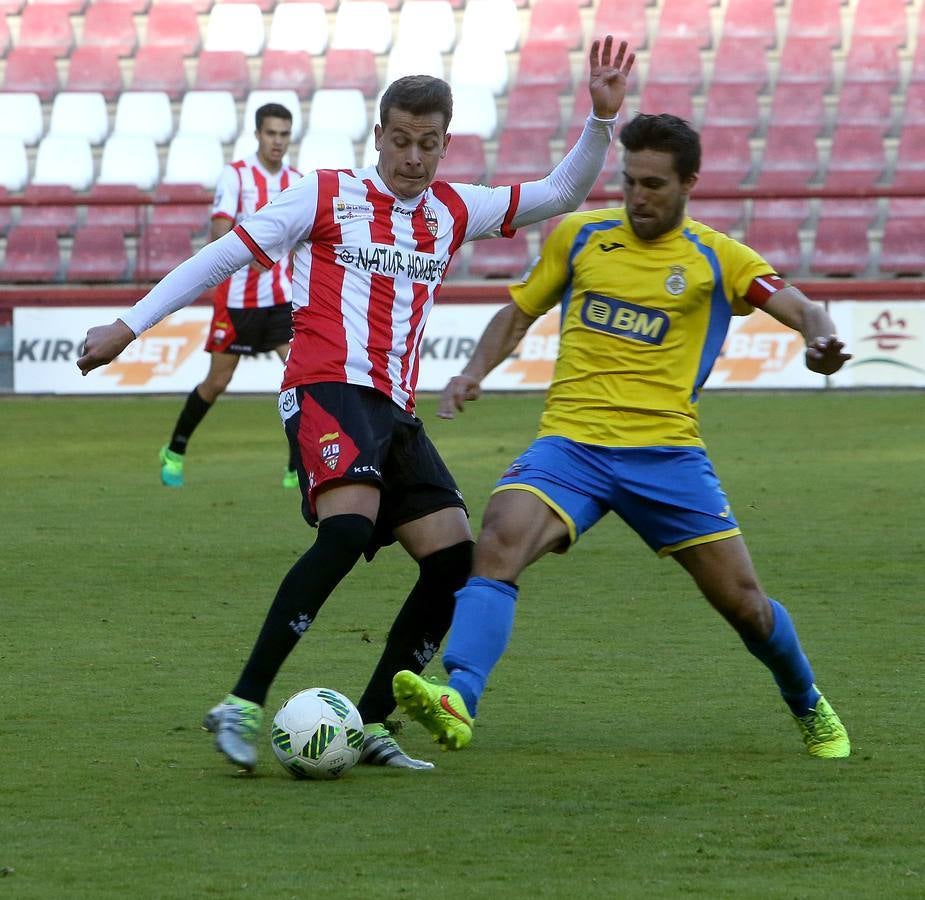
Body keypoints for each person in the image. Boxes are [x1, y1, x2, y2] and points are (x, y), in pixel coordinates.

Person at [76, 37, 637, 772]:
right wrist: (129, 323)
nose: (412, 158)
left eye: (428, 144)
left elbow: (558, 195)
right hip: (324, 387)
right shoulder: (324, 193)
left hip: (394, 409)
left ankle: (371, 724)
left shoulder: (454, 208)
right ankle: (240, 703)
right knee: (346, 532)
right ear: (378, 136)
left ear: (445, 143)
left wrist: (600, 121)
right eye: (400, 141)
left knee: (453, 560)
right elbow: (224, 255)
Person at [393, 112, 852, 760]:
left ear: (688, 183)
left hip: (666, 456)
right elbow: (518, 311)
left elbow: (800, 305)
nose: (639, 196)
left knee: (744, 605)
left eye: (655, 185)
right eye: (631, 181)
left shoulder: (717, 258)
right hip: (571, 445)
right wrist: (472, 370)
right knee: (497, 536)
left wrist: (819, 338)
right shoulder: (581, 236)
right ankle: (459, 695)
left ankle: (806, 700)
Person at [158, 103, 302, 489]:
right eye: (271, 133)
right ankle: (174, 449)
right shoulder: (236, 176)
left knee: (301, 377)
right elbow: (219, 237)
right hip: (237, 301)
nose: (277, 141)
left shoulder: (299, 180)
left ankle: (297, 466)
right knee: (217, 383)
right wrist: (251, 253)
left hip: (281, 300)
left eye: (284, 134)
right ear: (257, 134)